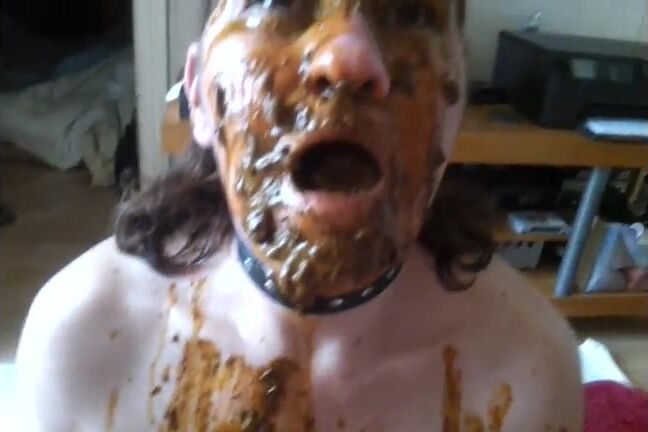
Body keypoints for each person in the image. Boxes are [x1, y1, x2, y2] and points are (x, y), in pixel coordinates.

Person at [16, 1, 583, 430]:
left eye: (410, 11)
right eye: (276, 1)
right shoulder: (84, 339)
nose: (348, 57)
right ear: (198, 94)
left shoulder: (525, 372)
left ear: (457, 110)